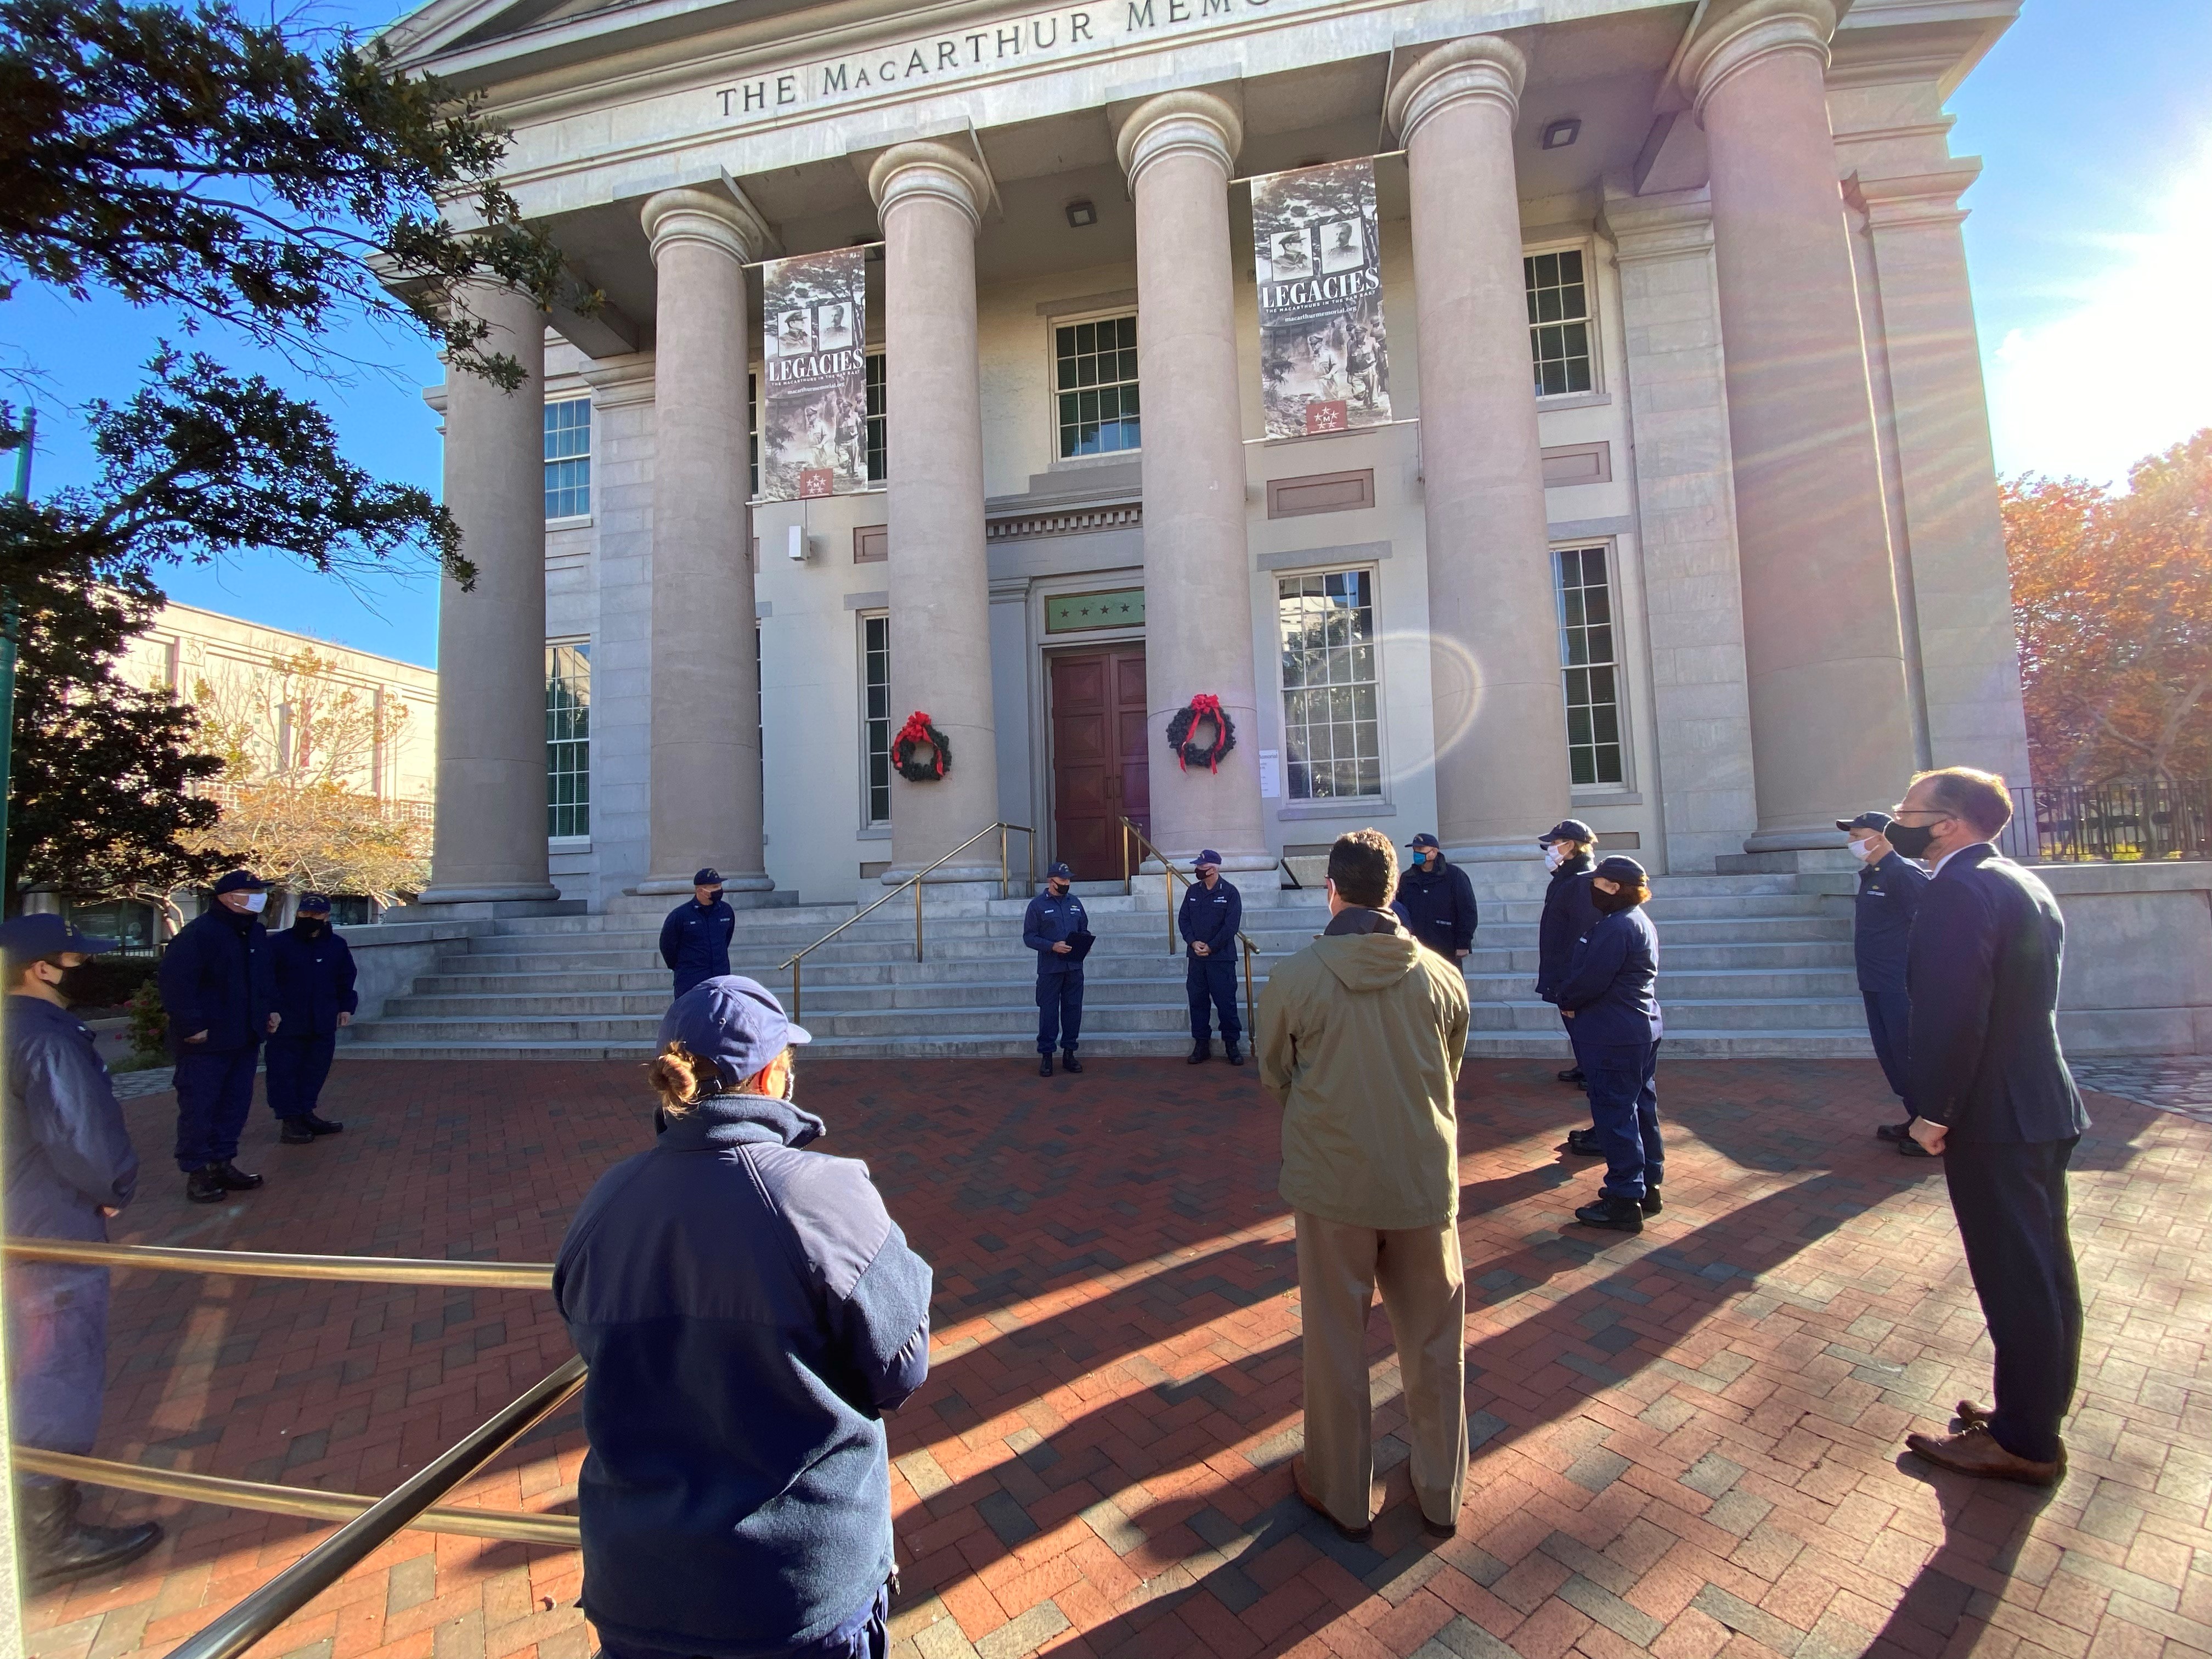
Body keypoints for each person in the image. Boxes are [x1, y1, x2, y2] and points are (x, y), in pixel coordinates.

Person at [554, 976, 933, 1658]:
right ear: (770, 1074)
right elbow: (901, 1370)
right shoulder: (824, 1193)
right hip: (793, 1587)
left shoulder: (607, 1197)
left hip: (639, 1585)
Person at [1258, 830, 1470, 1542]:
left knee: (1337, 1342)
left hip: (1335, 1184)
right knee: (1436, 1341)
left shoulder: (1296, 976)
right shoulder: (1441, 977)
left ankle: (1344, 1491)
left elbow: (1274, 1071)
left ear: (1332, 889)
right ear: (1393, 891)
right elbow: (1449, 1068)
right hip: (1420, 1180)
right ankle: (1440, 1490)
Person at [1891, 768, 2086, 1486]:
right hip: (2040, 1104)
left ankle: (2026, 1443)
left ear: (1947, 824)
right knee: (2045, 1275)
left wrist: (1935, 1110)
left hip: (1995, 1114)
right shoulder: (2017, 880)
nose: (1897, 822)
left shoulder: (1956, 890)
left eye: (1909, 812)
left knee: (2017, 1282)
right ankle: (2026, 1418)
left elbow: (1953, 1012)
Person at [2, 915, 165, 1584]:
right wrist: (113, 1185)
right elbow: (82, 1135)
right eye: (75, 958)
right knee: (55, 1365)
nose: (84, 969)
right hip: (48, 1225)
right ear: (42, 969)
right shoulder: (44, 1040)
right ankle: (47, 1533)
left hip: (21, 1215)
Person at [1553, 856, 1663, 1233]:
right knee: (1639, 1108)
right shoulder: (1635, 922)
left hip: (1614, 1033)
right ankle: (1648, 1186)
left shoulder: (1618, 927)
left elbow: (1591, 979)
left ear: (1616, 888)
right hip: (1637, 1029)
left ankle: (1623, 1197)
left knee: (1616, 1114)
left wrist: (1566, 999)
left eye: (1599, 884)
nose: (1592, 890)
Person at [159, 870, 279, 1203]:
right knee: (200, 1106)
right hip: (205, 1042)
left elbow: (263, 979)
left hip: (244, 1036)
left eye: (260, 891)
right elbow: (176, 983)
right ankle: (197, 1173)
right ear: (227, 896)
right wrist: (191, 1025)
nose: (258, 897)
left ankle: (223, 1162)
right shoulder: (199, 935)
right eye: (250, 891)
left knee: (234, 1105)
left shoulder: (254, 933)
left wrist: (270, 1010)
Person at [1838, 810, 1931, 1155]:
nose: (1851, 842)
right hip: (1875, 982)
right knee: (1893, 1057)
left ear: (1881, 836)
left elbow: (1930, 929)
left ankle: (1932, 1126)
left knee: (1911, 1056)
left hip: (1900, 985)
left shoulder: (1904, 874)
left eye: (1856, 834)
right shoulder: (1873, 874)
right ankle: (1916, 1118)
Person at [266, 893, 355, 1144]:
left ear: (327, 916)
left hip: (323, 1019)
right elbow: (266, 981)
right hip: (287, 1022)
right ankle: (290, 1119)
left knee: (315, 1069)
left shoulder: (336, 945)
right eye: (305, 914)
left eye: (316, 915)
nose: (310, 918)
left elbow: (345, 977)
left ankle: (306, 1112)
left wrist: (346, 1006)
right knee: (284, 1071)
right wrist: (271, 1010)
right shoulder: (279, 944)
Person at [1535, 820, 1601, 1094]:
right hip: (1561, 964)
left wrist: (1573, 978)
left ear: (1570, 846)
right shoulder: (1567, 879)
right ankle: (1585, 1065)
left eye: (1554, 843)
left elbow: (1582, 935)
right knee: (1574, 1023)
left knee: (1584, 1023)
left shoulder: (1582, 882)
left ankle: (1594, 1070)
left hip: (1571, 968)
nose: (1551, 849)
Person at [1022, 862, 1090, 1076]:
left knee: (1073, 1011)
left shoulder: (1075, 903)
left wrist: (1084, 944)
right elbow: (1029, 937)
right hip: (1050, 969)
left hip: (1073, 967)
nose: (1067, 883)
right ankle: (1047, 1056)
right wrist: (1052, 946)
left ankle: (1069, 1053)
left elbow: (1084, 929)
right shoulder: (1037, 906)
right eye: (1063, 880)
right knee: (1049, 1013)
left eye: (1069, 880)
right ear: (1051, 881)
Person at [1180, 850, 1244, 1064]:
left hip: (1221, 959)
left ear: (1213, 869)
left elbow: (1231, 926)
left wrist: (1212, 946)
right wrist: (1192, 942)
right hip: (1197, 959)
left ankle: (1232, 1045)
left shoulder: (1230, 892)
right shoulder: (1192, 891)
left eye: (1201, 867)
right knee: (1197, 1002)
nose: (1197, 870)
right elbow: (1184, 920)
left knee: (1226, 1003)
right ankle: (1201, 1044)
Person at [1392, 833, 1478, 964]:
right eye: (1415, 850)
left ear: (1434, 852)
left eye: (1421, 850)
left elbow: (1467, 910)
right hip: (1416, 947)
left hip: (1445, 946)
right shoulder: (1408, 878)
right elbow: (1400, 909)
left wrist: (1463, 943)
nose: (1416, 853)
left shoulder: (1454, 876)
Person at [659, 868, 735, 1001]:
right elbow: (667, 947)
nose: (719, 890)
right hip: (691, 980)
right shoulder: (681, 915)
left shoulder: (726, 912)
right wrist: (683, 966)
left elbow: (726, 939)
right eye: (715, 887)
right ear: (701, 891)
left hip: (720, 978)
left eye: (720, 886)